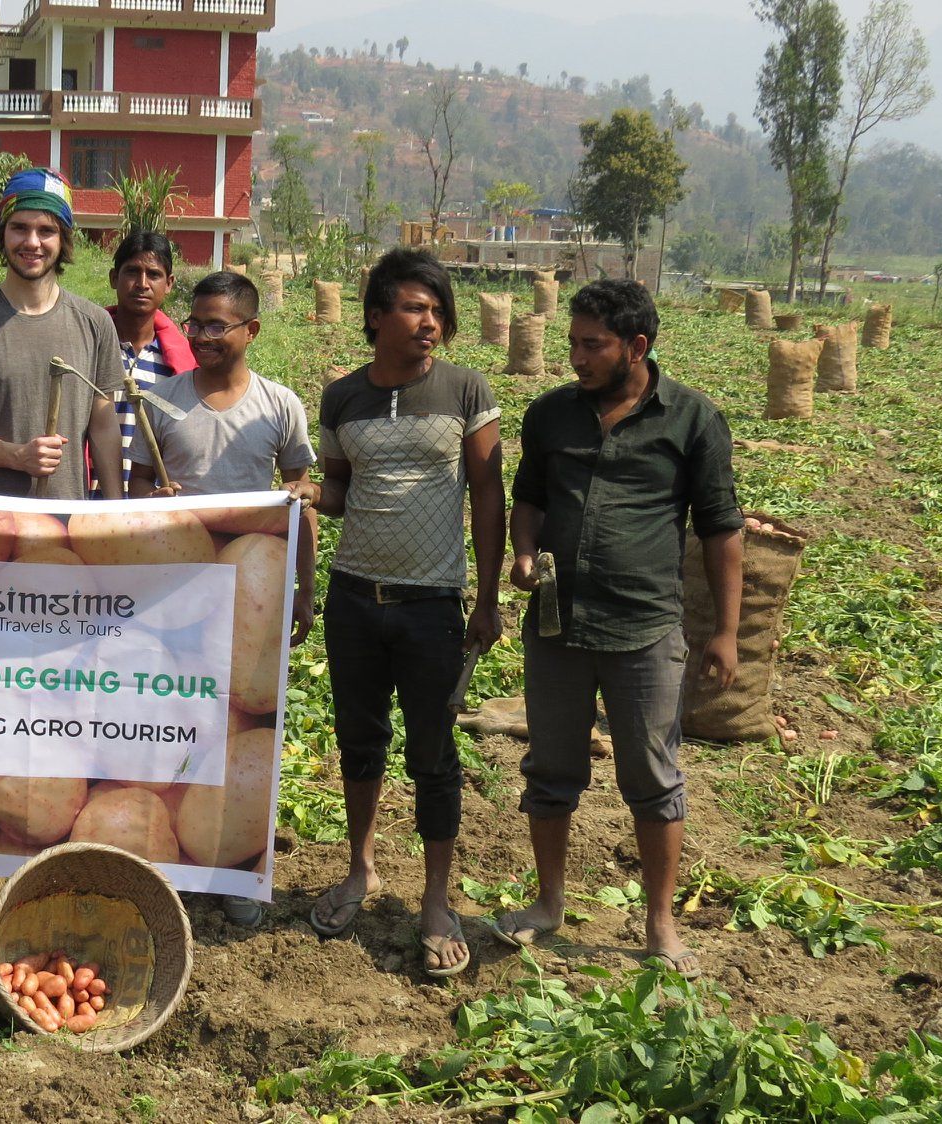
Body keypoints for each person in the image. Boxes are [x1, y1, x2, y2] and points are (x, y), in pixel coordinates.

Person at [490, 279, 743, 979]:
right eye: (572, 342)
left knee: (653, 777)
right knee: (550, 772)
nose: (576, 356)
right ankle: (548, 905)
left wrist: (726, 631)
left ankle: (660, 923)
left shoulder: (692, 419)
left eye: (591, 345)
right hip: (556, 623)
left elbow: (721, 529)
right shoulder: (550, 417)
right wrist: (522, 550)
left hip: (643, 629)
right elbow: (530, 500)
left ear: (637, 346)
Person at [293, 248, 504, 979]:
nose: (430, 321)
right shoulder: (342, 396)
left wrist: (486, 597)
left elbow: (486, 494)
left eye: (437, 310)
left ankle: (437, 900)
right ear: (378, 315)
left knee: (434, 757)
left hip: (431, 606)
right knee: (359, 742)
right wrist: (304, 495)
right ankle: (360, 870)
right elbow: (341, 492)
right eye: (415, 307)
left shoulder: (464, 389)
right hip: (355, 598)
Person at [130, 269, 317, 927]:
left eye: (217, 324)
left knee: (244, 735)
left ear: (250, 331)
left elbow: (302, 499)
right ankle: (175, 863)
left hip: (252, 601)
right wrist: (151, 503)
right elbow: (134, 495)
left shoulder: (279, 406)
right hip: (176, 600)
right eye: (196, 323)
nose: (202, 335)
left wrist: (305, 588)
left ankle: (237, 870)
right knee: (176, 726)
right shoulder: (161, 400)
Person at [0, 168, 125, 499]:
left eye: (46, 230)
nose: (32, 242)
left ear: (64, 239)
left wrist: (116, 510)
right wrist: (16, 456)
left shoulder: (95, 323)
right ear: (3, 234)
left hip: (67, 523)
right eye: (19, 228)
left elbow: (103, 428)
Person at [105, 229, 196, 489]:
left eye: (154, 274)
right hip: (89, 498)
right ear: (114, 278)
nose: (142, 283)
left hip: (153, 499)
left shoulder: (182, 362)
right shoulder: (90, 345)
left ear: (169, 284)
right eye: (132, 271)